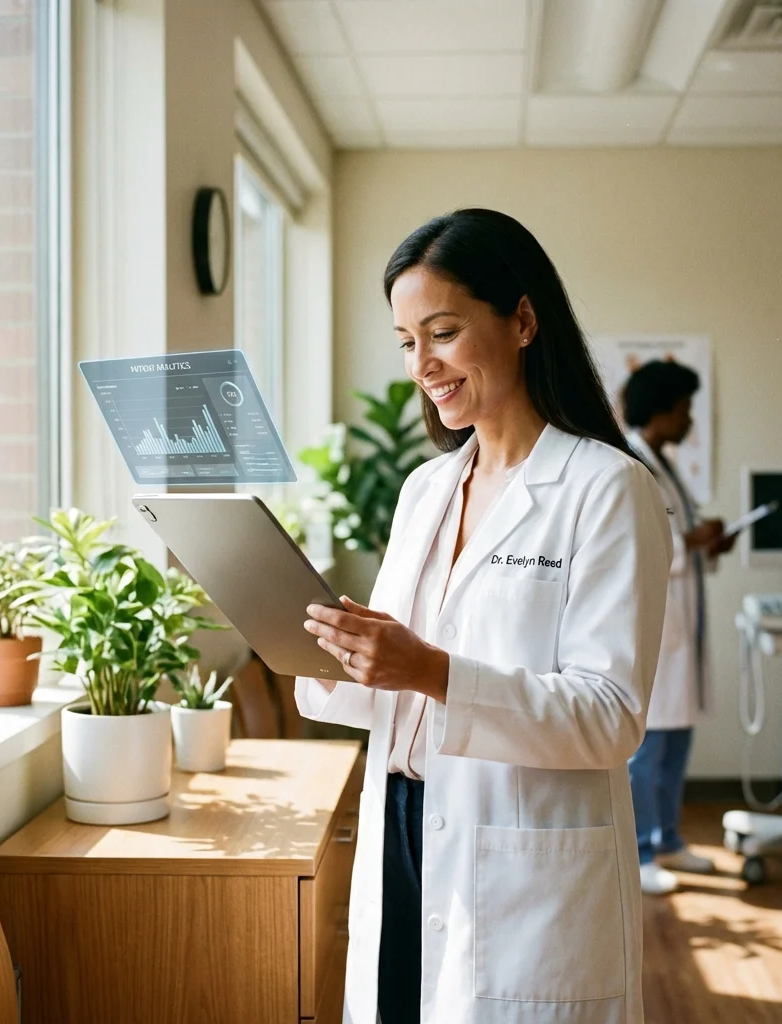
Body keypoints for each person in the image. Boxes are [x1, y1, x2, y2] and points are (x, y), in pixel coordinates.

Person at [296, 209, 673, 1024]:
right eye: (406, 342)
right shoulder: (425, 491)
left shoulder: (606, 490)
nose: (422, 364)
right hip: (402, 828)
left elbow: (610, 718)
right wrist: (334, 650)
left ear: (524, 320)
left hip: (519, 856)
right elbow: (391, 693)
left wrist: (428, 668)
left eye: (442, 332)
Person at [622, 360, 735, 895]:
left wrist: (706, 542)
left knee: (675, 741)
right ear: (662, 410)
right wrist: (692, 542)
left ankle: (667, 838)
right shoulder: (631, 463)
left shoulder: (660, 464)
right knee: (649, 745)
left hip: (682, 626)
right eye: (685, 410)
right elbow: (638, 546)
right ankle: (640, 851)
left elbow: (677, 540)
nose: (690, 421)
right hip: (656, 628)